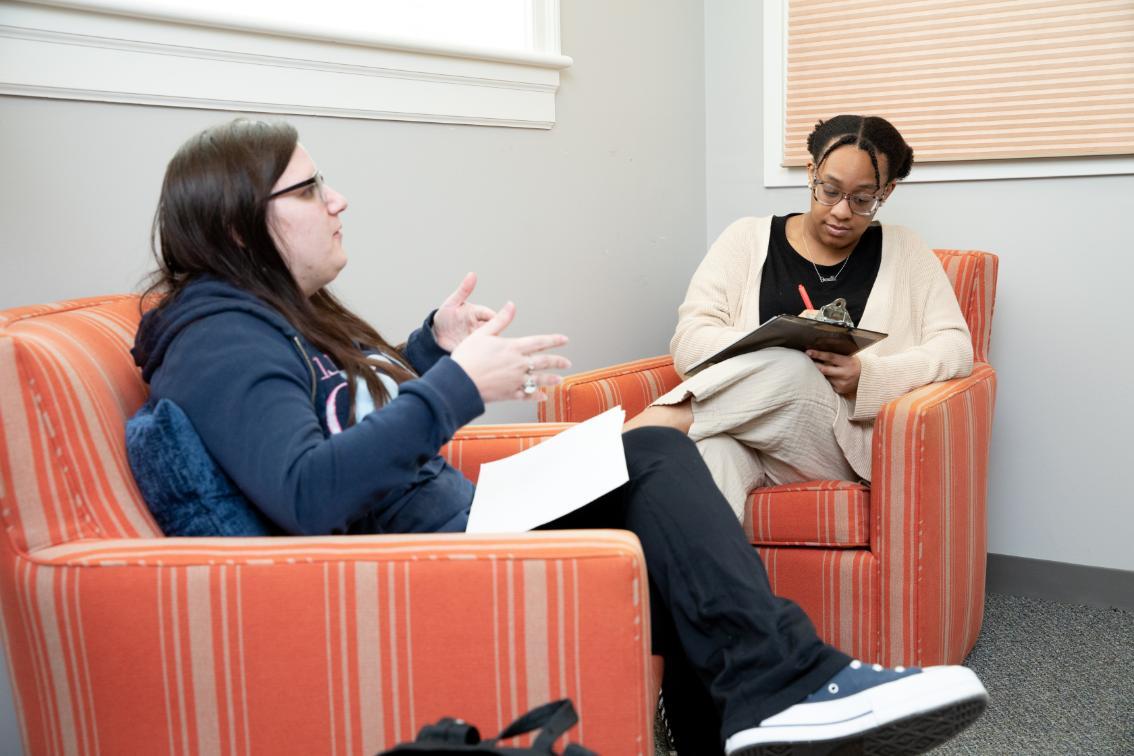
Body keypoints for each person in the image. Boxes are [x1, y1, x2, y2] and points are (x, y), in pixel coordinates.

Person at [128, 118, 986, 755]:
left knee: (660, 461)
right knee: (657, 459)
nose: (337, 198)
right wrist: (457, 390)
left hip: (456, 514)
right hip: (430, 547)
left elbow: (339, 413)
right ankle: (780, 688)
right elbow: (310, 491)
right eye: (310, 188)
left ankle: (736, 716)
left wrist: (428, 348)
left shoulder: (262, 320)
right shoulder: (217, 337)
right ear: (243, 227)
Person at [625, 115, 973, 519]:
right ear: (811, 173)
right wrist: (765, 344)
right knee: (709, 458)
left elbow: (956, 347)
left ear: (887, 192)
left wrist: (868, 376)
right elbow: (688, 344)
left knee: (793, 368)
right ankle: (708, 582)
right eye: (830, 191)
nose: (842, 211)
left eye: (862, 199)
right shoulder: (745, 239)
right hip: (743, 430)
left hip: (835, 443)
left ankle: (640, 433)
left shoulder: (905, 251)